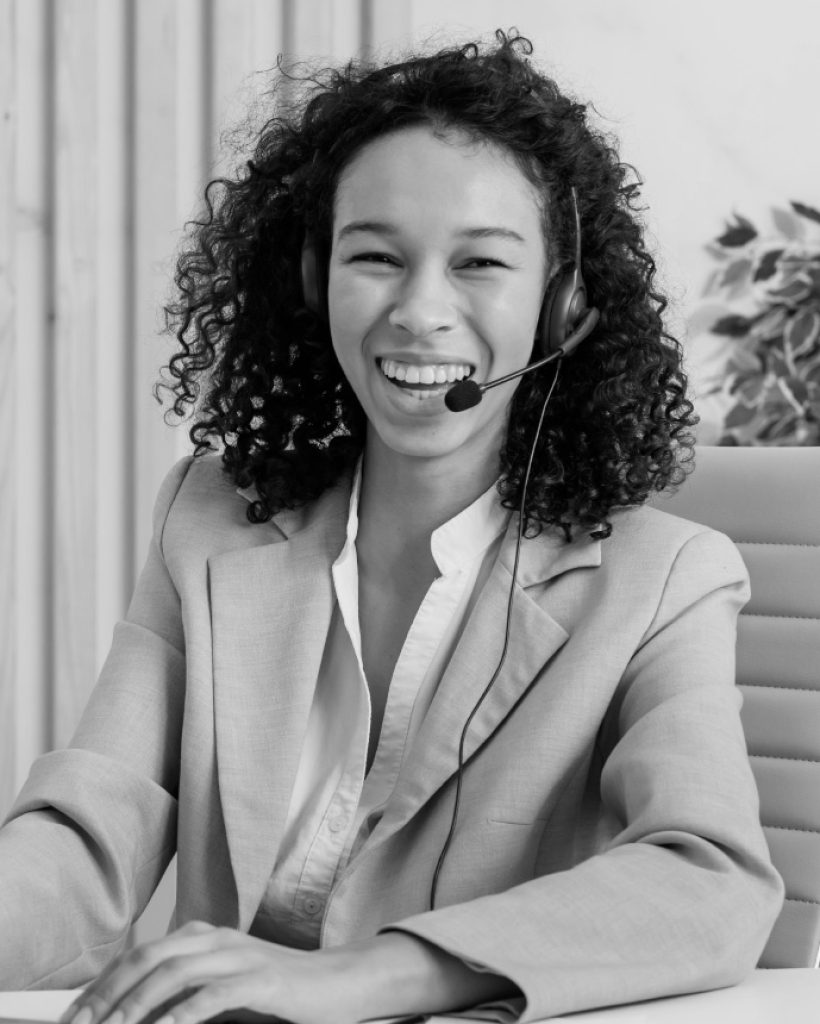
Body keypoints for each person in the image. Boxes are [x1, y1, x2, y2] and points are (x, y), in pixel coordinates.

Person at [0, 29, 782, 1024]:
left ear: (563, 305)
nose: (419, 311)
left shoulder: (664, 579)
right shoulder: (207, 521)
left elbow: (708, 878)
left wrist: (358, 977)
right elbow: (87, 839)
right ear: (313, 278)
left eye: (479, 263)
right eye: (374, 256)